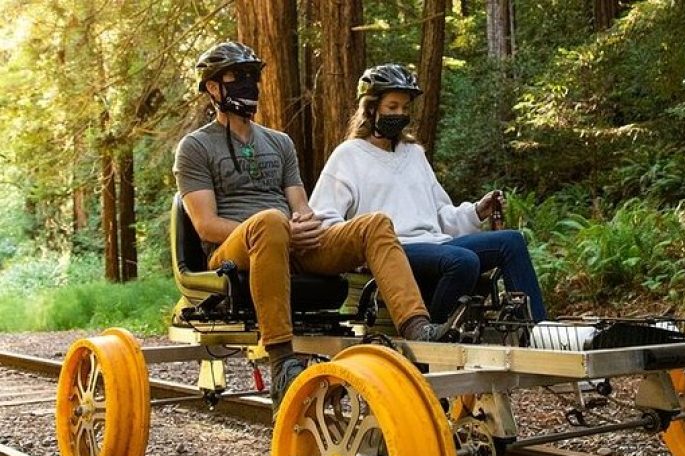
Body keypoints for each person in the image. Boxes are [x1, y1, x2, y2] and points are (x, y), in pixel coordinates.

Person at [173, 43, 448, 414]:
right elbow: (206, 226)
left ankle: (417, 326)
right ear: (212, 89)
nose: (248, 85)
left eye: (253, 77)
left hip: (288, 242)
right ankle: (282, 360)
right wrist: (279, 227)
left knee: (375, 224)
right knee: (269, 222)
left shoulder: (279, 143)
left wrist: (303, 223)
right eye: (235, 78)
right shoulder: (195, 147)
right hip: (233, 252)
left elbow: (301, 207)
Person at [309, 63, 548, 324]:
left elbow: (441, 214)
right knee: (463, 260)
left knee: (511, 241)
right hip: (394, 250)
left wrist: (477, 210)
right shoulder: (348, 155)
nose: (400, 114)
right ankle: (434, 333)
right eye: (392, 107)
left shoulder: (414, 153)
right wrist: (354, 253)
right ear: (371, 108)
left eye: (405, 108)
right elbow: (325, 220)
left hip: (438, 244)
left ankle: (538, 331)